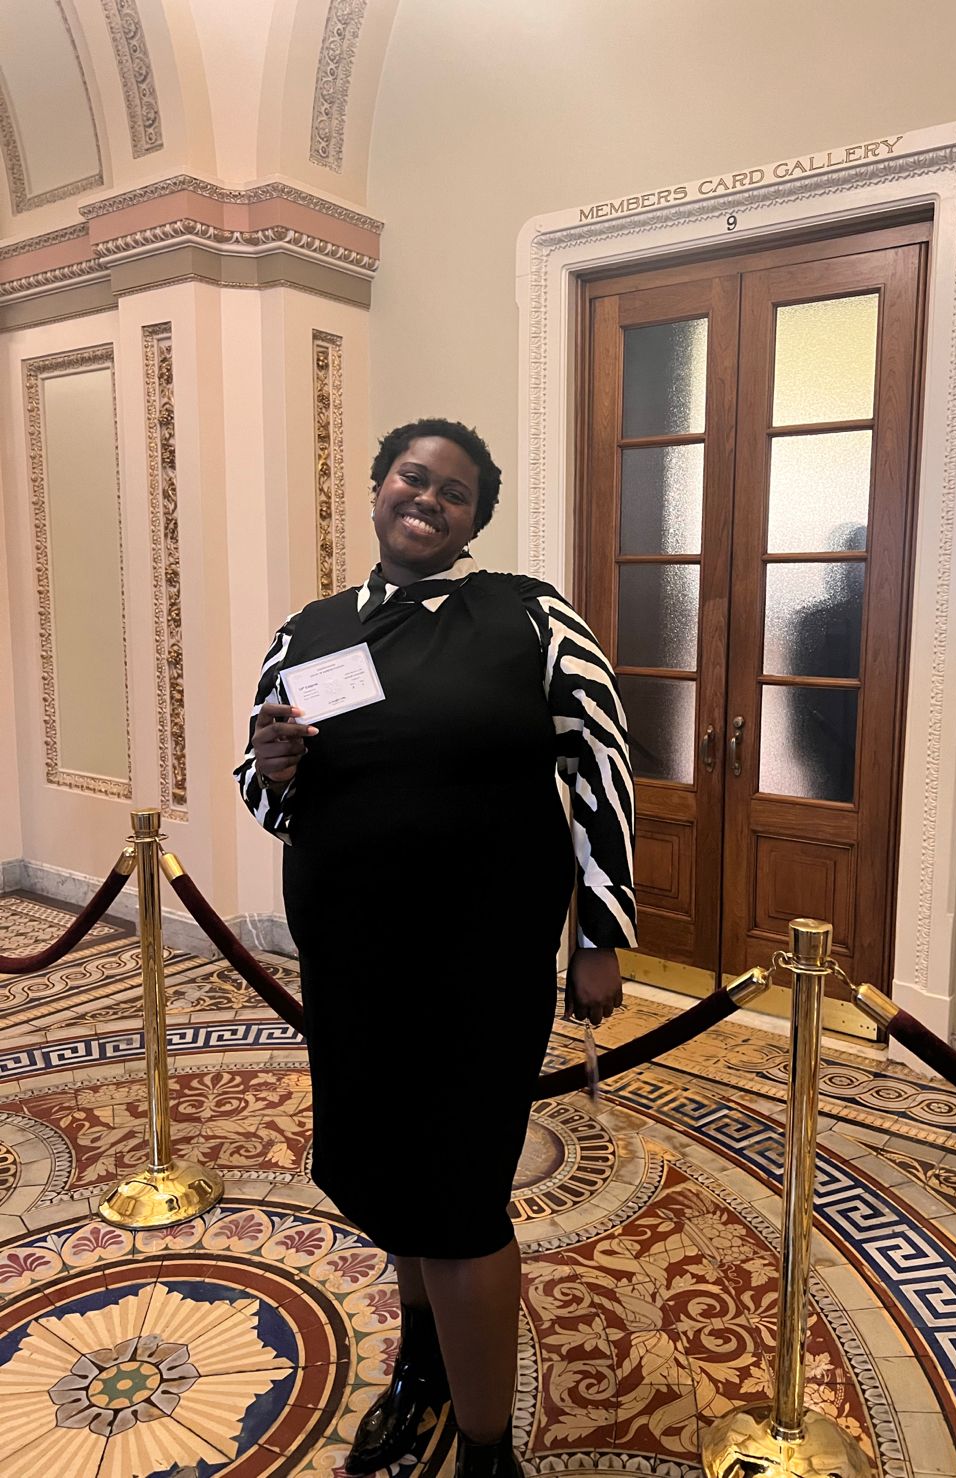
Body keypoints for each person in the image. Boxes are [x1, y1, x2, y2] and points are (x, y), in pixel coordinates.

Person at [234, 419, 636, 1478]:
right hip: (353, 957)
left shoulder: (529, 615)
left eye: (455, 491)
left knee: (459, 1197)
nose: (430, 497)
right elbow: (263, 789)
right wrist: (272, 766)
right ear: (376, 488)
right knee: (384, 1172)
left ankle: (487, 1445)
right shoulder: (308, 631)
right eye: (414, 476)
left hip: (480, 960)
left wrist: (599, 933)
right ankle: (422, 1371)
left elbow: (601, 765)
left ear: (473, 521)